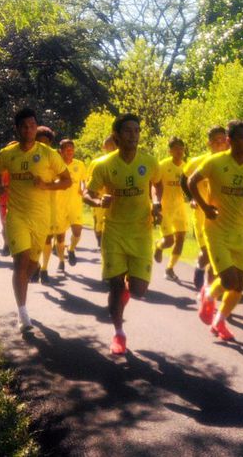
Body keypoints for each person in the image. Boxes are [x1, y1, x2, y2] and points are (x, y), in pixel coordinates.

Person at [84, 114, 162, 355]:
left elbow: (157, 183)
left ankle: (127, 288)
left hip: (141, 231)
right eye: (128, 131)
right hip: (115, 231)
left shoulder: (149, 161)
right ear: (116, 136)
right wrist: (98, 200)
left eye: (137, 130)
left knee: (138, 290)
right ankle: (119, 332)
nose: (134, 135)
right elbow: (87, 193)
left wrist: (157, 203)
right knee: (116, 287)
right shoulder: (104, 164)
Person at [0, 109, 71, 331]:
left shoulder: (48, 154)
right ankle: (23, 313)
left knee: (32, 265)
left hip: (41, 218)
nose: (29, 130)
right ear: (17, 129)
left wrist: (46, 185)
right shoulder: (7, 154)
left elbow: (67, 181)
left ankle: (21, 288)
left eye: (32, 126)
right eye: (24, 126)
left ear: (36, 127)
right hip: (16, 215)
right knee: (20, 262)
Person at [189, 120, 243, 341]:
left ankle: (219, 321)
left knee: (239, 285)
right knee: (229, 280)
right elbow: (192, 182)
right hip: (216, 229)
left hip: (240, 231)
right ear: (230, 141)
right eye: (242, 138)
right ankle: (209, 294)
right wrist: (204, 207)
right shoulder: (215, 162)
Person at [181, 126, 229, 290]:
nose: (220, 144)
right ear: (209, 143)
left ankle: (212, 287)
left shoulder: (231, 162)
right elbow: (184, 180)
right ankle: (199, 272)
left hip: (223, 216)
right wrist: (192, 198)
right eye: (216, 141)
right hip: (202, 213)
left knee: (220, 253)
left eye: (223, 140)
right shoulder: (197, 162)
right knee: (207, 251)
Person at [153, 137, 187, 282]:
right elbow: (154, 184)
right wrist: (155, 203)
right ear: (170, 151)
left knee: (181, 238)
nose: (180, 151)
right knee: (169, 241)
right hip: (165, 208)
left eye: (182, 148)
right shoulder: (162, 165)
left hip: (179, 207)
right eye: (176, 148)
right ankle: (159, 246)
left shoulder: (186, 167)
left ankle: (170, 269)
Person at [56, 139, 87, 269]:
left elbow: (83, 181)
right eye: (67, 149)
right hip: (59, 205)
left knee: (77, 231)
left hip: (75, 204)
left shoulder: (79, 164)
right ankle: (61, 260)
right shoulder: (55, 165)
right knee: (60, 237)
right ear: (61, 151)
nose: (70, 151)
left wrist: (83, 189)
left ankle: (71, 249)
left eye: (72, 149)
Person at [35, 126, 57, 283]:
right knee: (34, 239)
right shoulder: (27, 155)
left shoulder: (55, 157)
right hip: (30, 204)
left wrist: (49, 184)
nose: (43, 145)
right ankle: (34, 263)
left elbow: (63, 178)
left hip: (49, 202)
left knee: (48, 238)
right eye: (39, 142)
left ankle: (44, 268)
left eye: (46, 142)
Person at [87, 136, 117, 248]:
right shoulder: (97, 163)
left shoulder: (123, 161)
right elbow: (89, 183)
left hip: (118, 200)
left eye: (113, 145)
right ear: (104, 148)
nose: (111, 148)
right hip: (101, 199)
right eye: (108, 146)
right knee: (99, 227)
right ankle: (100, 241)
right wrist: (94, 198)